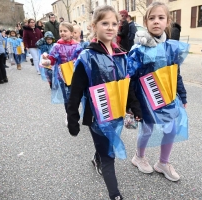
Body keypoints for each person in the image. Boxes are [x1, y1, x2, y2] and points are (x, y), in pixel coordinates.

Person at [66, 5, 142, 200]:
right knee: (109, 155)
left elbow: (128, 84)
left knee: (106, 145)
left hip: (116, 115)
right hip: (96, 118)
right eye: (105, 23)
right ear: (94, 26)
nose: (110, 27)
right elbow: (75, 92)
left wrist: (135, 107)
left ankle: (97, 157)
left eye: (114, 24)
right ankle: (114, 194)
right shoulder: (87, 57)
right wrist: (73, 117)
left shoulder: (122, 55)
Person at [128, 1, 189, 182]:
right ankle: (139, 157)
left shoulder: (172, 47)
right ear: (145, 22)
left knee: (171, 129)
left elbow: (175, 73)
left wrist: (182, 94)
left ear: (167, 21)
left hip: (168, 96)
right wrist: (133, 104)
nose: (156, 21)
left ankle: (163, 162)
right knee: (146, 130)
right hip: (145, 98)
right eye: (152, 18)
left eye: (161, 18)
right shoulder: (138, 49)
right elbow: (129, 78)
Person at [41, 22, 82, 124]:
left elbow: (81, 59)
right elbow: (52, 59)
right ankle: (69, 115)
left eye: (65, 31)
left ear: (72, 33)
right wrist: (47, 61)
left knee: (76, 96)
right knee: (66, 97)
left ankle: (74, 112)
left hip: (75, 75)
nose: (62, 33)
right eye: (60, 31)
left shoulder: (77, 46)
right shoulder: (57, 46)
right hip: (62, 76)